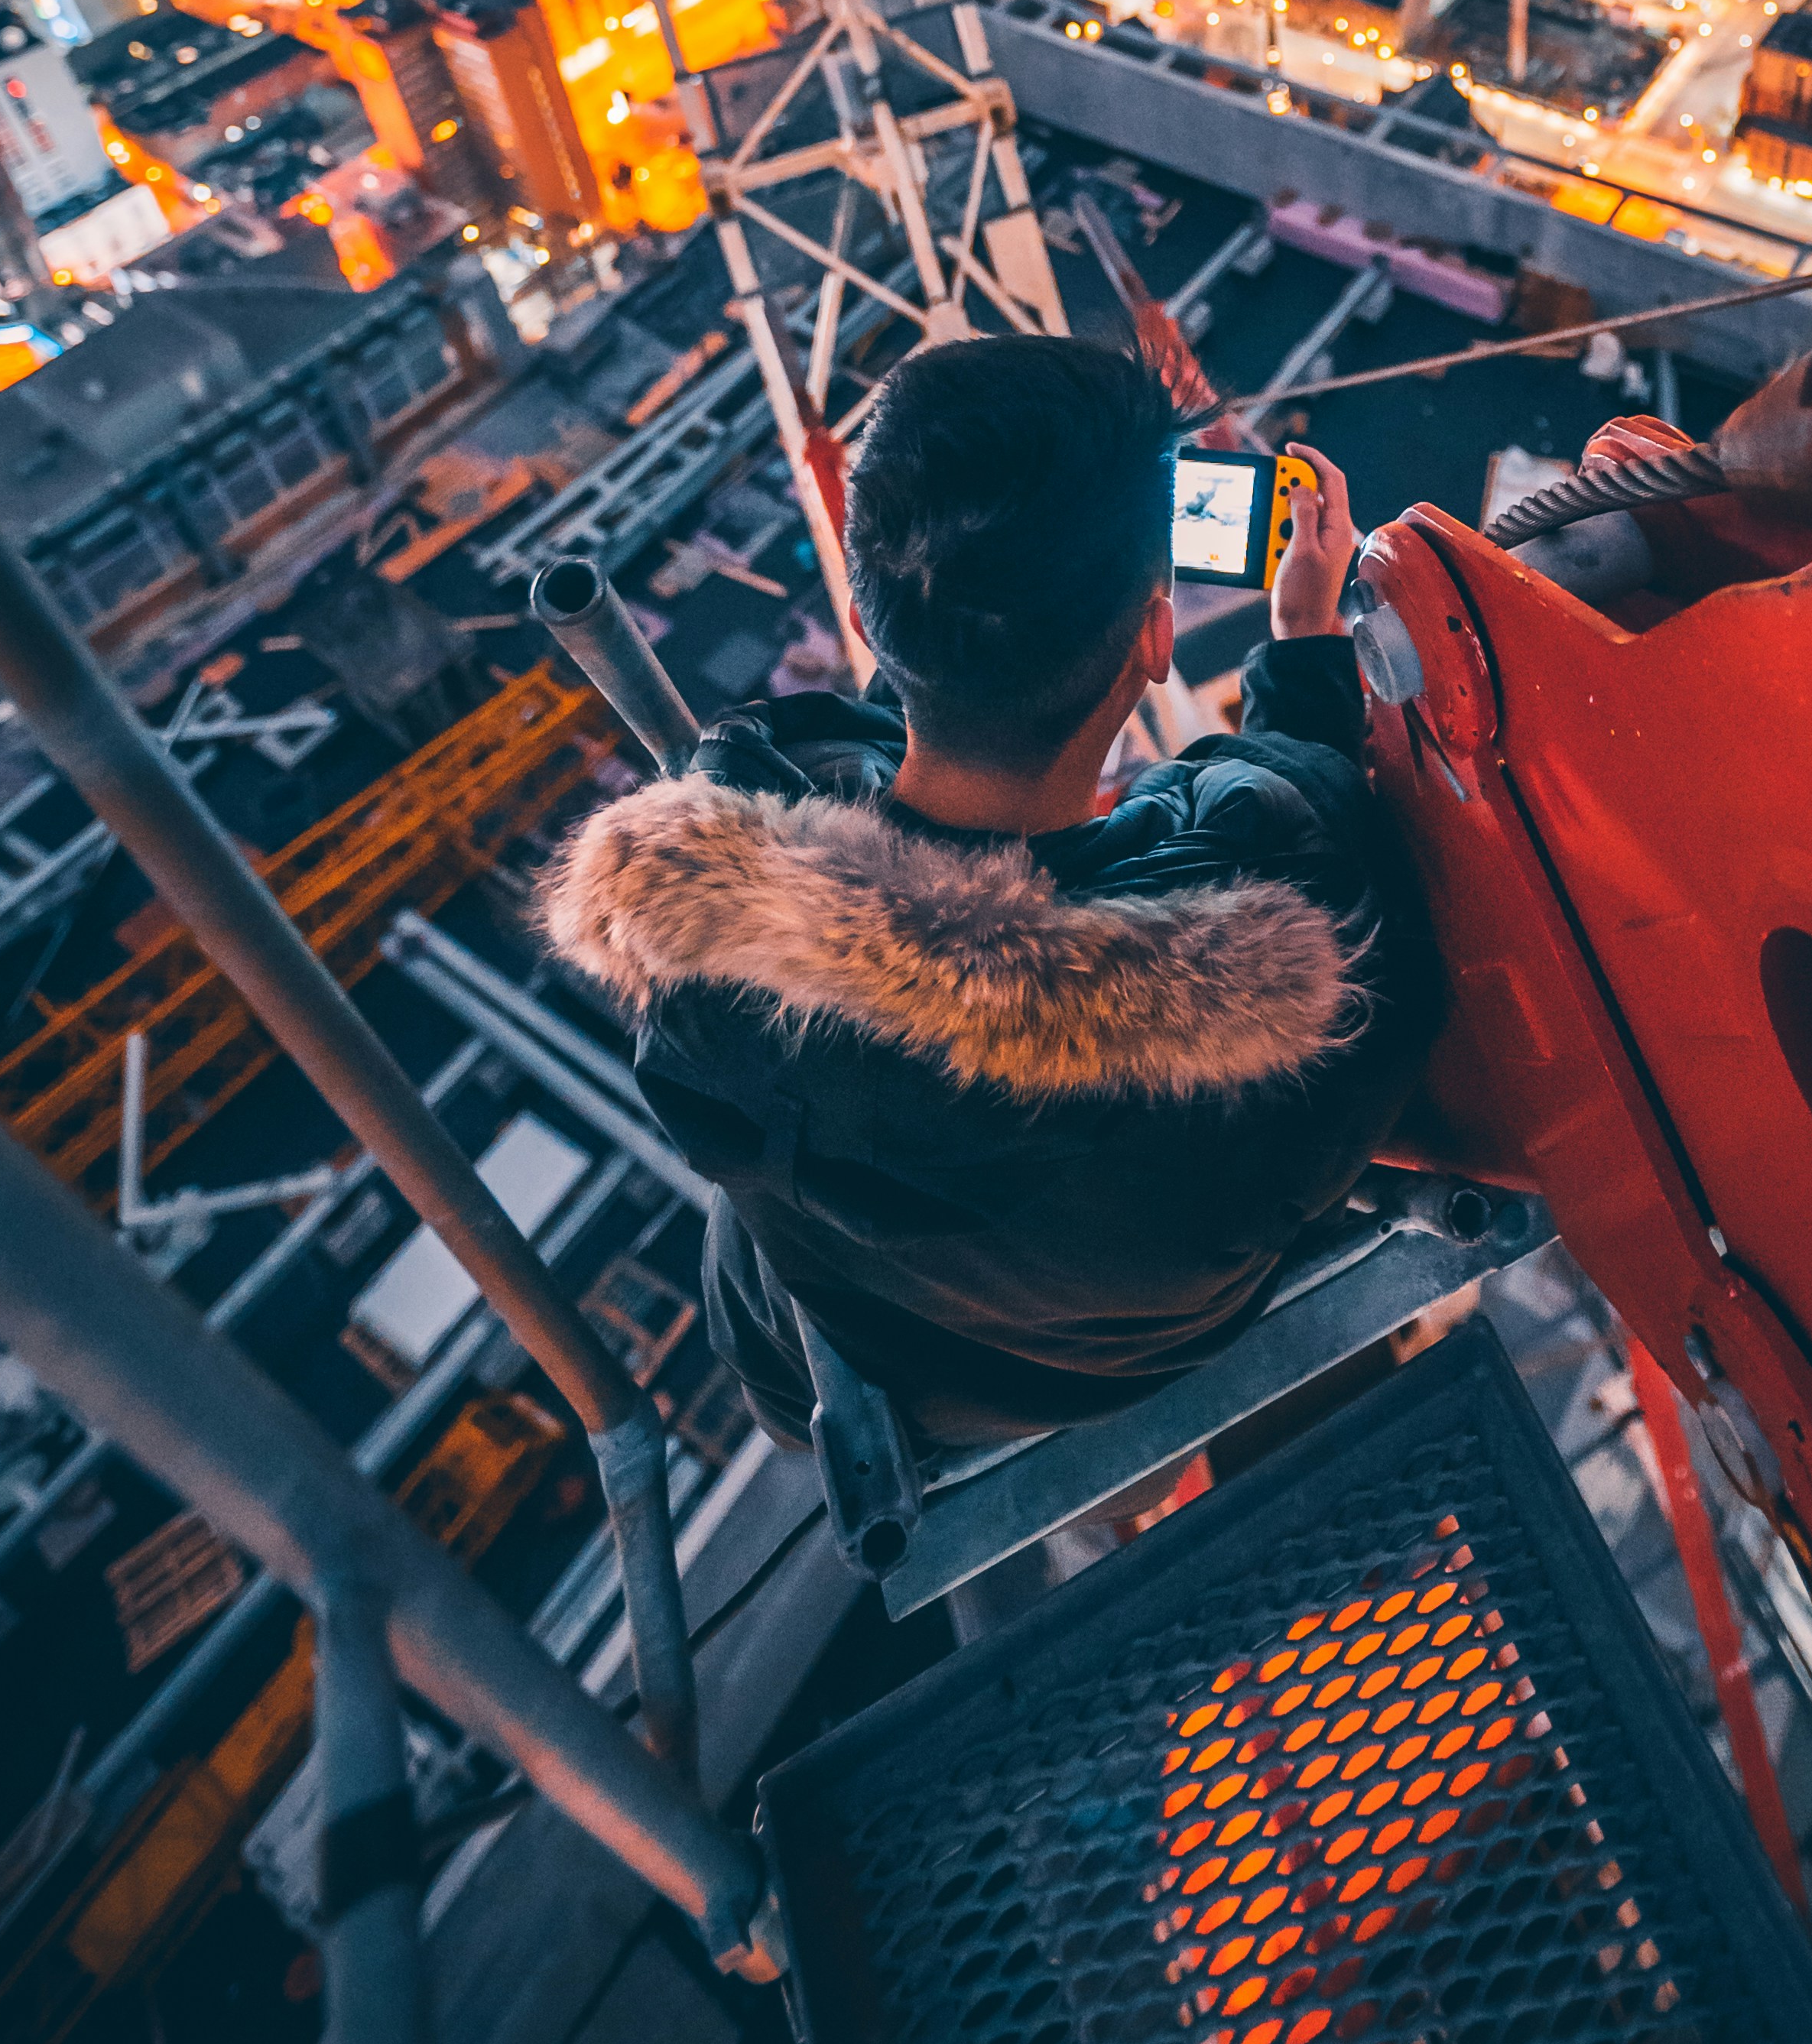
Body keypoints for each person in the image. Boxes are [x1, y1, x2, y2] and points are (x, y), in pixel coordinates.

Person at [537, 331, 1443, 1451]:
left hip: (819, 1368)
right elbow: (1282, 802)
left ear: (867, 625)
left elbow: (860, 756)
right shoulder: (1294, 986)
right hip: (1117, 1364)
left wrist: (965, 601)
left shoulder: (702, 959)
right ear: (1157, 640)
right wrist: (1303, 652)